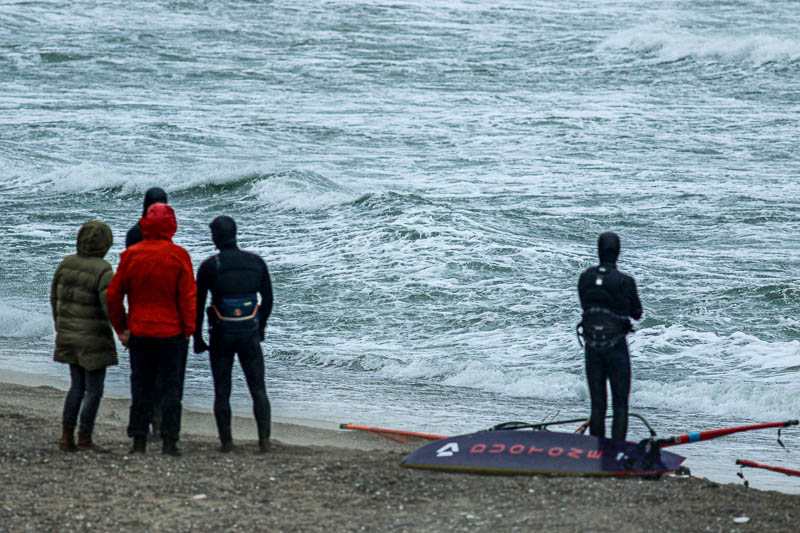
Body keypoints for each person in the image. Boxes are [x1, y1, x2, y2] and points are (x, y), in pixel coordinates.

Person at [107, 203, 196, 456]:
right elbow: (188, 297)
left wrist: (122, 328)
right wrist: (188, 330)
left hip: (141, 332)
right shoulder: (179, 255)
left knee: (141, 386)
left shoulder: (131, 255)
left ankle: (138, 441)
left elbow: (113, 296)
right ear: (172, 226)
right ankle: (169, 441)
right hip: (172, 333)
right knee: (171, 388)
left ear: (146, 224)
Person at [194, 215, 274, 453]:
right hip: (249, 334)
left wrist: (197, 337)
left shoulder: (210, 266)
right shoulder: (256, 262)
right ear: (235, 234)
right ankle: (264, 441)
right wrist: (260, 327)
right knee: (258, 388)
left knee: (222, 390)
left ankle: (227, 442)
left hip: (221, 335)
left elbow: (198, 306)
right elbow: (268, 300)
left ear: (215, 237)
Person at [51, 221, 118, 453]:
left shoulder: (66, 264)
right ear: (105, 244)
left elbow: (55, 300)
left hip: (68, 334)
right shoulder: (103, 269)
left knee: (76, 386)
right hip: (93, 339)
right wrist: (123, 330)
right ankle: (85, 438)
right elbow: (109, 307)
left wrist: (61, 326)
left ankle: (66, 437)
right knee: (94, 390)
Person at [577, 232, 642, 442]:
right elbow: (637, 313)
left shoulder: (585, 277)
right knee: (620, 404)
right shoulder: (625, 282)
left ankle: (597, 451)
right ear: (618, 252)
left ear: (598, 251)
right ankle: (616, 451)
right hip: (616, 347)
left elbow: (585, 305)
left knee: (598, 404)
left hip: (592, 346)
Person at [125, 187, 168, 439]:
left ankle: (140, 425)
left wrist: (123, 324)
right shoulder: (165, 236)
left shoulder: (133, 234)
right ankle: (158, 424)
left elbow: (127, 277)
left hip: (138, 311)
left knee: (140, 374)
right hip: (164, 318)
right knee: (161, 375)